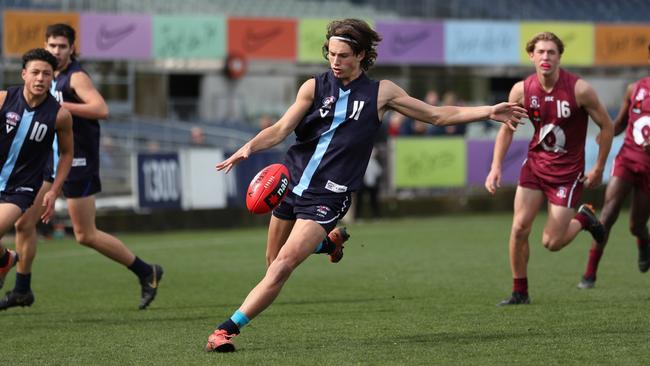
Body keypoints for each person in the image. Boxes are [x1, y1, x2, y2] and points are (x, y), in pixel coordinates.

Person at [205, 18, 527, 353]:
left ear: (360, 55)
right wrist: (249, 147)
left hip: (329, 195)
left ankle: (225, 330)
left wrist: (488, 110)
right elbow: (282, 128)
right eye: (331, 54)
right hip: (292, 181)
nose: (335, 61)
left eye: (343, 55)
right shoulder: (313, 87)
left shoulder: (381, 93)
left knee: (284, 264)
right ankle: (327, 245)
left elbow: (437, 116)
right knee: (272, 260)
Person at [0, 24, 163, 311]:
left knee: (84, 234)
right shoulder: (46, 76)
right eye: (52, 45)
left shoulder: (75, 77)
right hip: (45, 163)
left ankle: (145, 270)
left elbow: (101, 109)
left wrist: (55, 108)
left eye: (62, 46)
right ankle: (22, 288)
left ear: (72, 49)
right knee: (24, 222)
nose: (57, 51)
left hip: (78, 161)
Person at [484, 32, 615, 306]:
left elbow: (607, 126)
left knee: (552, 242)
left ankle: (584, 219)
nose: (546, 57)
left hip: (567, 174)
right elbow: (507, 130)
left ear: (559, 57)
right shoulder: (521, 90)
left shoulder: (579, 90)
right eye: (540, 52)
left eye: (551, 52)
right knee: (519, 227)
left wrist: (600, 167)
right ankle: (520, 291)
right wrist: (495, 167)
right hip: (534, 166)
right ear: (531, 56)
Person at [0, 48, 73, 298]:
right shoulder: (3, 99)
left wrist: (54, 190)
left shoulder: (60, 115)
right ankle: (6, 259)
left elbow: (66, 154)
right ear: (23, 74)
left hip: (20, 190)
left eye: (46, 74)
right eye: (35, 73)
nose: (41, 78)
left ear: (53, 78)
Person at [577, 44, 650, 289]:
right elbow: (620, 122)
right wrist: (606, 132)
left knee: (636, 225)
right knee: (607, 213)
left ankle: (643, 240)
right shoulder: (635, 88)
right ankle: (589, 275)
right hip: (627, 159)